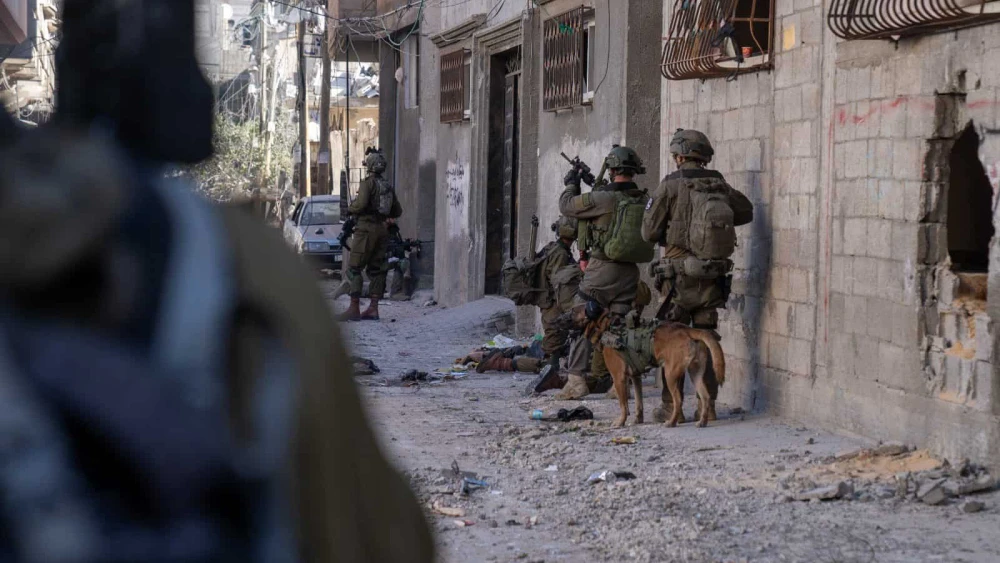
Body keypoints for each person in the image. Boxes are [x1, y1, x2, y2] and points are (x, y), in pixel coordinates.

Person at [0, 1, 434, 560]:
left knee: (358, 273)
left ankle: (366, 307)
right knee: (360, 277)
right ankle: (368, 307)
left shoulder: (230, 260)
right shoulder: (240, 262)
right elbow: (377, 536)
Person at [641, 128, 753, 422]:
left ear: (679, 156)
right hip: (711, 280)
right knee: (706, 337)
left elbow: (648, 232)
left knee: (673, 340)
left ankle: (671, 408)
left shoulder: (670, 185)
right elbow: (746, 212)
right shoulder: (719, 184)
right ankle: (708, 406)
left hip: (677, 280)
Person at [557, 146, 652, 400]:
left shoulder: (604, 199)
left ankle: (576, 381)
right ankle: (621, 383)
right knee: (620, 325)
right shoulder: (643, 199)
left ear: (611, 170)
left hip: (602, 269)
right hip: (630, 272)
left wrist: (571, 184)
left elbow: (567, 206)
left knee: (582, 318)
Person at [477, 217, 581, 394]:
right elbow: (561, 284)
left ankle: (500, 356)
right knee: (549, 363)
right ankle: (501, 363)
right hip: (554, 309)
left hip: (549, 306)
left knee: (553, 351)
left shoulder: (552, 248)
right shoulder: (560, 254)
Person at [338, 148, 402, 321]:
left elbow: (360, 205)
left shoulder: (368, 183)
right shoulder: (387, 186)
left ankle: (354, 308)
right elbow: (397, 210)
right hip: (382, 231)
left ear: (370, 166)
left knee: (354, 269)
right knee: (377, 269)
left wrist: (350, 208)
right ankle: (373, 309)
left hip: (365, 230)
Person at [386, 218, 420, 301]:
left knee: (401, 262)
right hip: (378, 261)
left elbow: (397, 245)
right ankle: (395, 293)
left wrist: (408, 244)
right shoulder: (381, 230)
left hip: (386, 260)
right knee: (402, 263)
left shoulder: (393, 230)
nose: (393, 219)